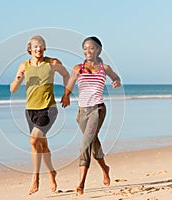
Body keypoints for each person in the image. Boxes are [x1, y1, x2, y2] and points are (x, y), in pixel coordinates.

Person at [60, 36, 121, 195]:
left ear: (98, 50)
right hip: (82, 112)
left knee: (85, 143)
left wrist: (116, 82)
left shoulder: (104, 68)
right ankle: (105, 168)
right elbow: (71, 83)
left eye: (91, 48)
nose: (88, 51)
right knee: (93, 143)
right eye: (85, 48)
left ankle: (81, 183)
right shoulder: (77, 68)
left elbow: (116, 78)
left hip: (98, 110)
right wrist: (66, 95)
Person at [10, 35, 70, 195]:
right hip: (31, 110)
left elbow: (66, 75)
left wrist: (67, 93)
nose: (38, 49)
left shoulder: (52, 63)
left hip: (48, 109)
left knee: (33, 140)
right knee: (42, 146)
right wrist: (18, 79)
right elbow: (13, 89)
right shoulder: (24, 65)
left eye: (41, 46)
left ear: (45, 48)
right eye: (35, 46)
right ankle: (52, 172)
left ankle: (35, 178)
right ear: (29, 49)